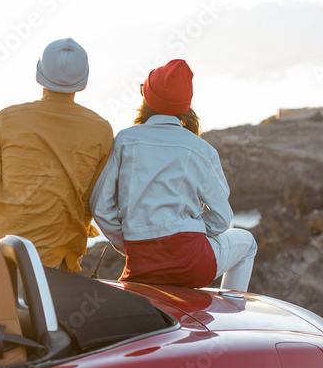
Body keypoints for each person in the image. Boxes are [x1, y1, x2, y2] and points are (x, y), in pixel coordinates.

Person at [90, 59, 257, 291]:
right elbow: (221, 219)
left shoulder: (125, 141)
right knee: (248, 243)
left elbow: (100, 207)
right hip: (193, 264)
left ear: (146, 97)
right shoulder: (202, 150)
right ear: (187, 105)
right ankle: (231, 313)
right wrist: (188, 230)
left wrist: (129, 241)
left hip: (142, 265)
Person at [0, 38, 113, 272]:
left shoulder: (7, 118)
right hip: (54, 256)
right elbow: (89, 201)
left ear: (40, 74)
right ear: (83, 81)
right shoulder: (101, 130)